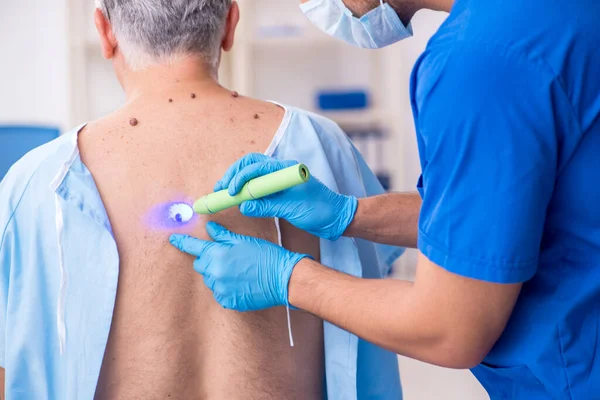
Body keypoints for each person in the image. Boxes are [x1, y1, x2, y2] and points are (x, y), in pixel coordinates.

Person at [170, 0, 600, 398]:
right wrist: (347, 213)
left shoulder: (485, 60)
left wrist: (287, 278)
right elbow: (489, 213)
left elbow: (448, 328)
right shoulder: (550, 15)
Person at [0, 0, 404, 399]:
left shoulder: (35, 183)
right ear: (231, 24)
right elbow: (393, 288)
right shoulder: (322, 146)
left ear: (105, 32)